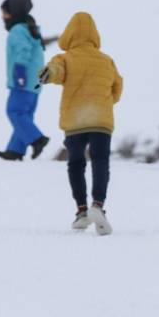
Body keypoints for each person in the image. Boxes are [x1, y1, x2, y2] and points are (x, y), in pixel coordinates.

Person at [38, 12, 123, 235]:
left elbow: (56, 72)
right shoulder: (107, 60)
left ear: (69, 34)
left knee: (76, 163)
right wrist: (106, 103)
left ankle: (82, 210)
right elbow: (118, 88)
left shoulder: (65, 58)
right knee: (100, 160)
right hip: (101, 121)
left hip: (75, 120)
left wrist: (47, 74)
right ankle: (98, 205)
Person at [0, 0, 48, 161]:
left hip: (24, 79)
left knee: (14, 111)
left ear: (13, 12)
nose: (3, 17)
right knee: (25, 115)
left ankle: (37, 139)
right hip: (35, 82)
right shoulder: (30, 28)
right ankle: (15, 150)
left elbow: (23, 51)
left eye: (5, 13)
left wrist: (20, 72)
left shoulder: (18, 30)